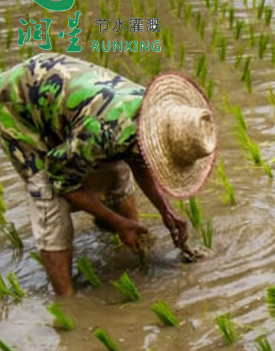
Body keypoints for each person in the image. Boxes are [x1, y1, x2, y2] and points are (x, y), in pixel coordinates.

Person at [0, 53, 218, 296]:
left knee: (117, 171)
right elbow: (63, 181)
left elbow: (140, 162)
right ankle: (66, 300)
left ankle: (125, 246)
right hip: (18, 102)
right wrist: (119, 223)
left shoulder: (153, 116)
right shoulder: (104, 131)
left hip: (70, 106)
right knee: (49, 200)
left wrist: (166, 211)